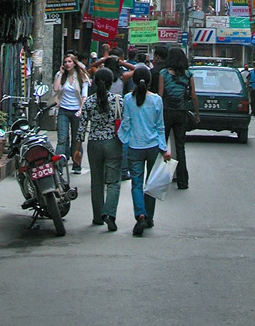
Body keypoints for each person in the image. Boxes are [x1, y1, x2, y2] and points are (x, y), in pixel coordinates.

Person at [118, 65, 171, 236]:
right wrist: (164, 148)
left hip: (134, 146)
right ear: (149, 82)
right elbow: (160, 127)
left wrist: (122, 139)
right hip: (153, 146)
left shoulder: (127, 99)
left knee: (137, 183)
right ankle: (149, 217)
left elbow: (126, 123)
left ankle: (140, 214)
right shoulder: (156, 100)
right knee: (152, 183)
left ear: (133, 81)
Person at [75, 67, 122, 231]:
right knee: (113, 182)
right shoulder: (118, 101)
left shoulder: (88, 102)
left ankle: (97, 217)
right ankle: (109, 214)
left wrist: (77, 149)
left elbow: (81, 128)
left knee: (96, 182)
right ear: (111, 83)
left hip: (94, 144)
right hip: (113, 143)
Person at [159, 47, 200, 191]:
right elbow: (193, 96)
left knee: (162, 146)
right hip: (181, 112)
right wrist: (196, 114)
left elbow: (160, 96)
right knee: (180, 147)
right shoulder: (188, 75)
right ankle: (183, 181)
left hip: (166, 112)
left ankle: (160, 179)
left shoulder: (163, 74)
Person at [53, 53, 88, 175]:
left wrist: (81, 110)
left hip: (76, 111)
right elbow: (56, 89)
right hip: (63, 109)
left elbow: (84, 96)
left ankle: (76, 164)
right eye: (65, 62)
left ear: (74, 63)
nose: (67, 64)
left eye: (69, 62)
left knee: (76, 139)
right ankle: (58, 165)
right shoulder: (60, 75)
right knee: (62, 138)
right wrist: (61, 74)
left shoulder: (81, 76)